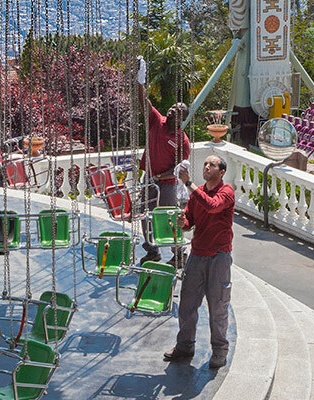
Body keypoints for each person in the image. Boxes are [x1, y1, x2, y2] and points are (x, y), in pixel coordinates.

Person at [164, 154, 235, 369]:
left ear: (221, 172)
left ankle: (220, 351)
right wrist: (181, 222)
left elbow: (213, 206)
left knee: (218, 306)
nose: (207, 167)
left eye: (212, 165)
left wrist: (189, 184)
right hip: (197, 255)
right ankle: (185, 346)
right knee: (187, 304)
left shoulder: (226, 192)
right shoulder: (197, 193)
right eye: (205, 164)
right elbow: (189, 222)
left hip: (218, 257)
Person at [136, 56, 191, 266]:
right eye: (171, 107)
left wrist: (161, 176)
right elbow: (144, 101)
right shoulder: (156, 121)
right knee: (144, 216)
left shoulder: (182, 140)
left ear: (181, 117)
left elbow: (179, 168)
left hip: (166, 185)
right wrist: (140, 79)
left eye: (176, 110)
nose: (171, 110)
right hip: (149, 180)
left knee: (167, 218)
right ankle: (152, 251)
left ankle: (178, 254)